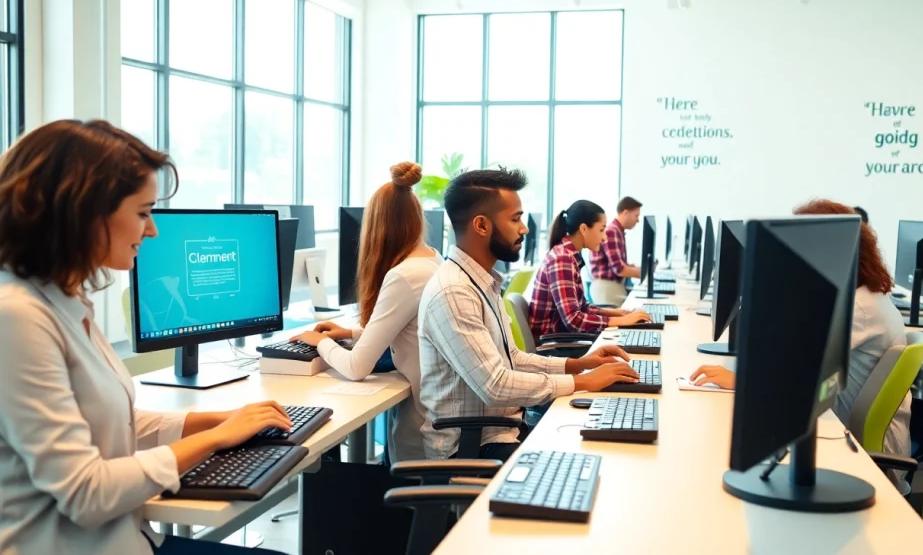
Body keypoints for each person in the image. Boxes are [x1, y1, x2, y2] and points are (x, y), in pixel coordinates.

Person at [0, 120, 290, 555]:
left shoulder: (64, 297)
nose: (152, 230)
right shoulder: (17, 318)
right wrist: (212, 440)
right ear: (83, 211)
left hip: (132, 540)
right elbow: (87, 494)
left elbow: (116, 424)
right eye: (142, 212)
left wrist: (218, 421)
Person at [417, 168, 642, 462]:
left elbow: (514, 358)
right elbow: (495, 386)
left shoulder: (483, 282)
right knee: (589, 463)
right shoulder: (453, 291)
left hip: (504, 430)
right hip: (473, 449)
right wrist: (583, 381)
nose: (524, 228)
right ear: (482, 226)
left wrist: (580, 364)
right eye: (515, 219)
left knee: (598, 447)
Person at [689, 199, 911, 491]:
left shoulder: (858, 309)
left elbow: (794, 372)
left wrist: (743, 381)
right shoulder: (860, 294)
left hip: (857, 451)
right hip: (839, 429)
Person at [290, 163, 441, 462]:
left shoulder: (404, 275)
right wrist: (348, 333)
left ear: (376, 227)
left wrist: (319, 342)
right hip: (437, 408)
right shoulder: (432, 260)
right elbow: (412, 328)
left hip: (424, 428)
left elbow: (357, 367)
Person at [527, 200, 650, 340]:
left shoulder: (568, 255)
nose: (604, 237)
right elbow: (574, 320)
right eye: (601, 229)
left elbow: (583, 307)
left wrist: (618, 313)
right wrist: (621, 321)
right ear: (584, 229)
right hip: (554, 344)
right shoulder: (562, 259)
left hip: (562, 338)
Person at [589, 196, 644, 306]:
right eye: (636, 215)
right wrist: (646, 274)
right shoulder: (612, 231)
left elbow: (620, 264)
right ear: (625, 213)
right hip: (607, 289)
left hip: (610, 287)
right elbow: (619, 269)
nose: (638, 220)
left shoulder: (617, 231)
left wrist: (641, 269)